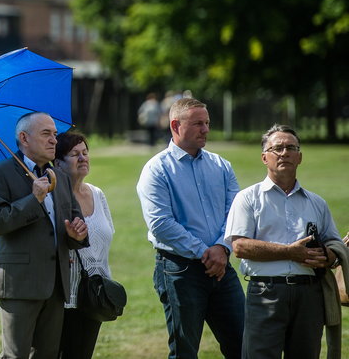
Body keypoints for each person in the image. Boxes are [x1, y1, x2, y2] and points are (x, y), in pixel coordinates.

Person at [136, 97, 244, 359]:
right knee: (185, 351)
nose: (206, 129)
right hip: (180, 271)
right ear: (175, 125)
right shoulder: (156, 169)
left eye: (207, 123)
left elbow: (237, 212)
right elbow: (161, 224)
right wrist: (206, 253)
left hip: (222, 268)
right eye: (198, 123)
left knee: (244, 345)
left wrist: (222, 247)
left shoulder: (221, 165)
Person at [224, 124, 343, 359]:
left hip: (309, 296)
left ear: (299, 157)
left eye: (291, 147)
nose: (284, 153)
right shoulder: (248, 198)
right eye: (277, 148)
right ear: (264, 157)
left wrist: (328, 256)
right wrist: (290, 252)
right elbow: (240, 247)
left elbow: (334, 246)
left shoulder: (317, 203)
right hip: (266, 292)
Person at [0, 111, 90, 359]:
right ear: (24, 138)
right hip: (19, 283)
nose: (54, 140)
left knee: (47, 355)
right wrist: (34, 199)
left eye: (54, 134)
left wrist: (77, 234)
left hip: (56, 284)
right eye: (46, 134)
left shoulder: (60, 176)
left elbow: (76, 224)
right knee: (15, 355)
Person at [53, 131, 114, 359]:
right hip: (65, 296)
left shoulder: (98, 194)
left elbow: (107, 235)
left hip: (94, 294)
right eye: (74, 154)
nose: (83, 158)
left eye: (85, 153)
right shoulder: (54, 197)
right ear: (58, 163)